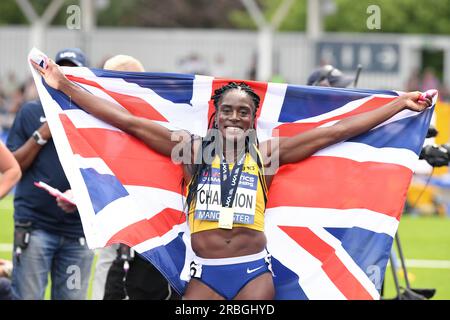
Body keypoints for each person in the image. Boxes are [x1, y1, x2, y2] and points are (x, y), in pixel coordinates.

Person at [32, 57, 433, 300]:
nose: (236, 118)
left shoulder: (269, 153)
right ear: (216, 114)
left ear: (253, 118)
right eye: (228, 111)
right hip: (204, 274)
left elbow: (334, 132)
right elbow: (127, 121)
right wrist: (65, 85)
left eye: (244, 113)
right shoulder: (190, 150)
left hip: (253, 274)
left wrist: (398, 104)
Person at [90, 54, 179, 300]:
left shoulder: (153, 116)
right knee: (111, 267)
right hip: (122, 213)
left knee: (149, 279)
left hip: (153, 219)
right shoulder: (105, 115)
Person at [8, 48, 94, 300]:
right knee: (27, 297)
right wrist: (42, 134)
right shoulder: (31, 112)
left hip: (79, 231)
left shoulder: (94, 116)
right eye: (61, 68)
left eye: (73, 70)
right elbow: (12, 167)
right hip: (35, 226)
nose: (65, 75)